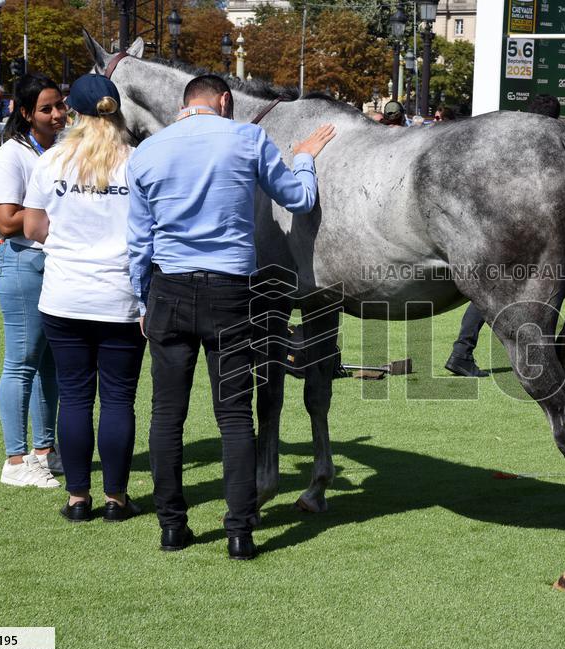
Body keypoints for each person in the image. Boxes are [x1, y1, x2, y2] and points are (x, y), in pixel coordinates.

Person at [126, 75, 336, 557]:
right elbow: (299, 199)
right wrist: (304, 157)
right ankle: (240, 531)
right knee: (235, 416)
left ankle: (172, 527)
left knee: (167, 415)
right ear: (224, 101)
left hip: (169, 288)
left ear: (186, 104)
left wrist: (143, 300)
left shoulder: (148, 151)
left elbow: (137, 242)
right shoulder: (248, 138)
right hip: (231, 291)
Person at [23, 74, 146, 522]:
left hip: (65, 295)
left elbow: (33, 227)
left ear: (74, 112)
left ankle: (78, 498)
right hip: (121, 296)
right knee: (118, 400)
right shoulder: (136, 162)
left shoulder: (51, 161)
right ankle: (116, 498)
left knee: (74, 397)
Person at [444, 93, 562, 377]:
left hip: (490, 225)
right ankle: (463, 351)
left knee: (490, 290)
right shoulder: (542, 147)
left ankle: (462, 351)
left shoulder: (506, 141)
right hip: (515, 229)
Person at [0, 73, 67, 488]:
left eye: (60, 105)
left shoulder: (61, 149)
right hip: (22, 261)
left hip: (53, 264)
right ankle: (15, 460)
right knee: (21, 363)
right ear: (25, 113)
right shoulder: (12, 154)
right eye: (46, 108)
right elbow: (5, 220)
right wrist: (56, 208)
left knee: (49, 365)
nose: (57, 114)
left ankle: (44, 451)